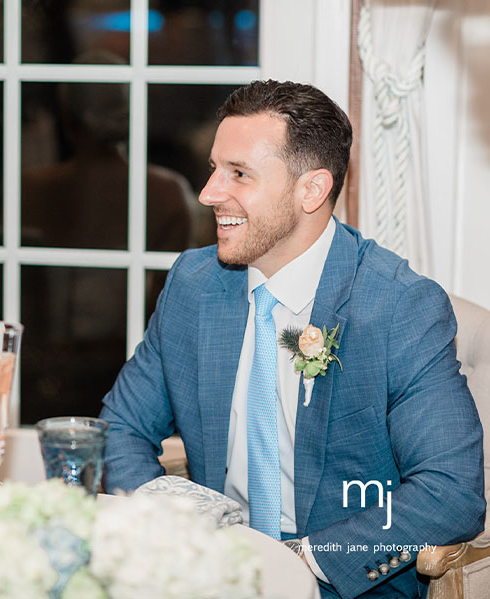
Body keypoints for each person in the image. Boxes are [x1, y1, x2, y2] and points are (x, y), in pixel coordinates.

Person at [99, 80, 484, 598]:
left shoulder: (398, 308)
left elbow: (451, 493)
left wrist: (303, 561)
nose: (210, 192)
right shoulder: (195, 284)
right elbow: (120, 427)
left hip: (338, 583)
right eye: (214, 168)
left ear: (312, 190)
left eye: (239, 174)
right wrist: (171, 534)